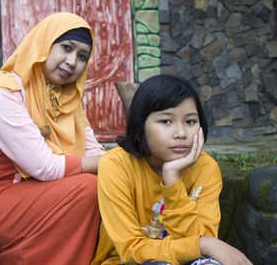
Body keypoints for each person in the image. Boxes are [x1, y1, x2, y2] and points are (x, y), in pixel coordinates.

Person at [0, 12, 106, 265]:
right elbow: (44, 166)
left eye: (82, 56)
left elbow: (94, 150)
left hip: (37, 198)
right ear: (44, 43)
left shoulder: (66, 99)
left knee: (109, 184)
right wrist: (110, 164)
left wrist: (120, 165)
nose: (72, 62)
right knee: (89, 187)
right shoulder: (4, 93)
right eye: (66, 48)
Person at [91, 75, 252, 265]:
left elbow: (203, 242)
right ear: (139, 127)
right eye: (166, 121)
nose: (181, 133)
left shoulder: (206, 168)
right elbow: (130, 250)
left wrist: (172, 179)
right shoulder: (115, 165)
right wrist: (203, 245)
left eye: (190, 121)